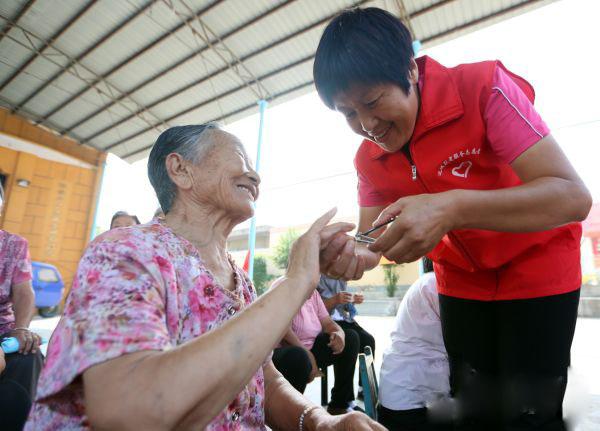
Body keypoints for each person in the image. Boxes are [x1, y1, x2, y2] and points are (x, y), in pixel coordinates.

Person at [313, 7, 592, 430]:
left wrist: (451, 207)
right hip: (461, 285)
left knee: (529, 413)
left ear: (409, 69)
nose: (367, 124)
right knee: (474, 406)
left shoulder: (482, 89)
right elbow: (372, 242)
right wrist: (347, 255)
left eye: (372, 102)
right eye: (348, 113)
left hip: (539, 270)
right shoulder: (368, 159)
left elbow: (572, 196)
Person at [25, 124, 384, 430]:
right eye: (241, 160)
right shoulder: (124, 251)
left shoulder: (239, 280)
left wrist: (321, 422)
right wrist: (296, 281)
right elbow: (129, 410)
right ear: (181, 170)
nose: (255, 176)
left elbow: (263, 380)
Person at [378, 258, 450, 430]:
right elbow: (461, 340)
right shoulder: (435, 284)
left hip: (399, 398)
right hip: (409, 408)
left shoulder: (426, 282)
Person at [273, 289, 360, 415]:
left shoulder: (313, 293)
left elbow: (327, 322)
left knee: (351, 338)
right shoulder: (283, 288)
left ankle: (339, 405)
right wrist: (309, 357)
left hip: (310, 348)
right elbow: (283, 331)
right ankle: (290, 414)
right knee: (299, 357)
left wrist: (339, 334)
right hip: (287, 351)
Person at [0, 181, 44, 431]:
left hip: (4, 332)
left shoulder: (14, 245)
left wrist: (21, 328)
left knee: (29, 354)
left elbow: (24, 292)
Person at [317, 274, 375, 399]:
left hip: (344, 320)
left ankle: (363, 388)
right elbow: (314, 309)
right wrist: (334, 300)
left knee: (368, 340)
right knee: (349, 340)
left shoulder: (341, 275)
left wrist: (352, 300)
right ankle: (342, 399)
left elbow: (342, 305)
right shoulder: (316, 277)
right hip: (325, 323)